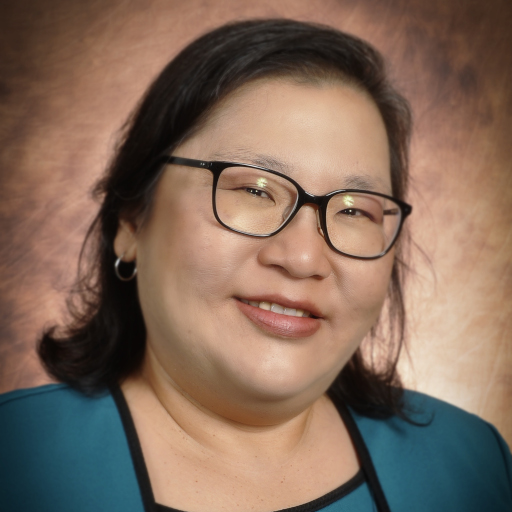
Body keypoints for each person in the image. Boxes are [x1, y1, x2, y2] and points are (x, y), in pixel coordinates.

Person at [0, 19, 510, 512]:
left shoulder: (473, 464)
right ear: (131, 222)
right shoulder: (16, 459)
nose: (304, 259)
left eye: (355, 210)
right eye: (254, 190)